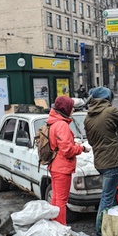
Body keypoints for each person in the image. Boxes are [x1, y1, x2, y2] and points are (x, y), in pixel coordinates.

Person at [84, 86, 118, 236]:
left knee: (116, 193)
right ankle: (100, 233)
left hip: (99, 161)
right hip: (112, 161)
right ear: (107, 98)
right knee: (107, 198)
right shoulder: (110, 111)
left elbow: (92, 141)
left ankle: (114, 227)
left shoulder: (88, 117)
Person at [47, 96, 89, 225]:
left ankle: (55, 224)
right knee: (61, 200)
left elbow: (61, 145)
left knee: (55, 198)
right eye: (71, 107)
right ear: (65, 109)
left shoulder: (53, 122)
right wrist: (81, 148)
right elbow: (67, 150)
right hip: (62, 168)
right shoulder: (62, 125)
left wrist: (73, 144)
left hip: (55, 165)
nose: (73, 109)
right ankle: (60, 226)